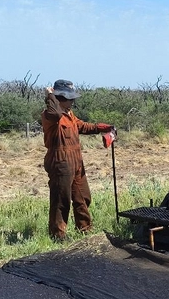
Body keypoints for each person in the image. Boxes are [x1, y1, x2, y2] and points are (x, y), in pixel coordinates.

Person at [41, 79, 114, 241]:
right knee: (61, 199)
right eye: (69, 98)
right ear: (60, 97)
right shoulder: (51, 115)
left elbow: (82, 126)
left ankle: (85, 229)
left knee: (83, 196)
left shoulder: (69, 114)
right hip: (60, 160)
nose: (73, 101)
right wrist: (50, 96)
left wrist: (103, 127)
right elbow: (55, 113)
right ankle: (58, 235)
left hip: (75, 161)